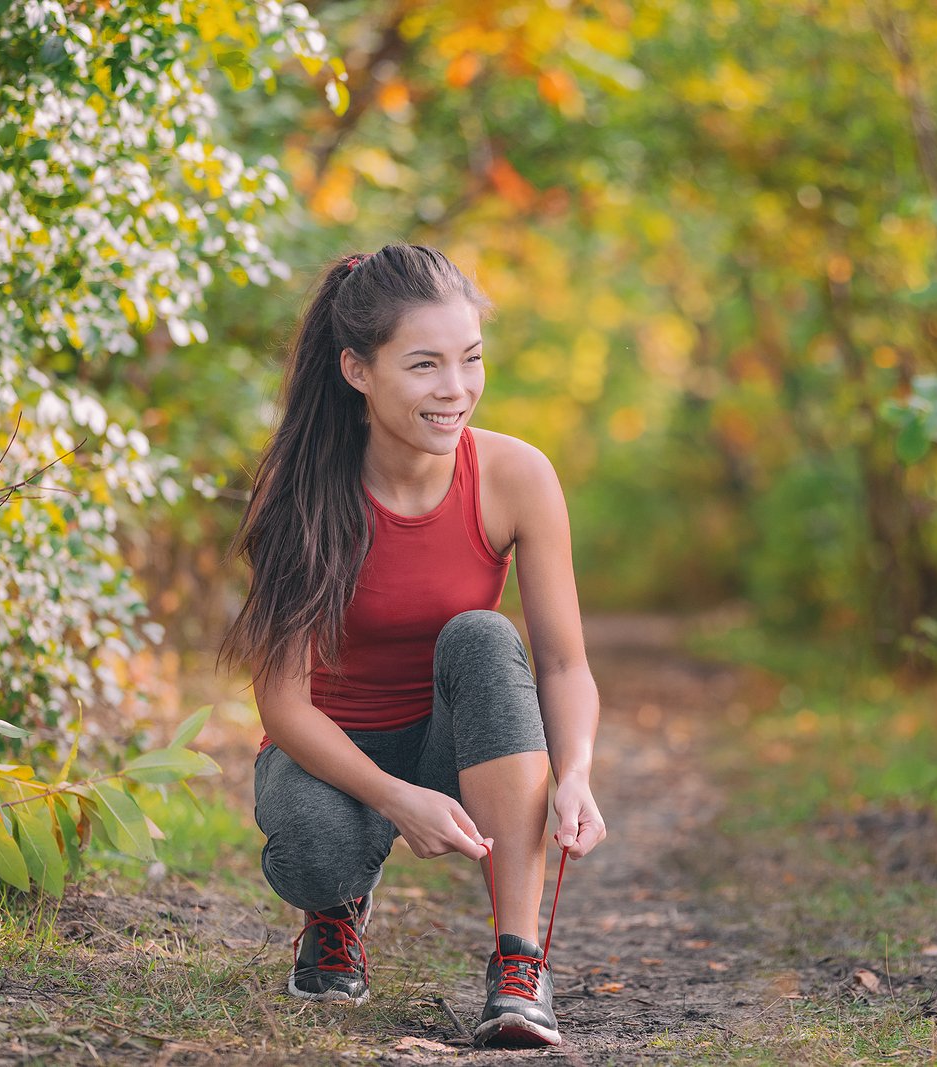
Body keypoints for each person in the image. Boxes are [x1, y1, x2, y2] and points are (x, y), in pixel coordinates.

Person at [220, 243, 607, 1048]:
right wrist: (396, 798)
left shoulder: (517, 476)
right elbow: (282, 702)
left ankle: (518, 965)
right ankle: (333, 913)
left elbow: (564, 663)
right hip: (331, 750)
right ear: (358, 369)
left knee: (483, 635)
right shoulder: (299, 491)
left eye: (470, 360)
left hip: (449, 742)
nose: (455, 389)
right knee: (316, 850)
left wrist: (575, 773)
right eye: (425, 365)